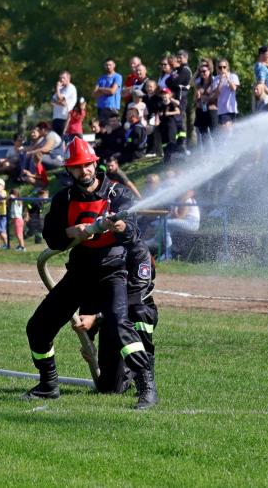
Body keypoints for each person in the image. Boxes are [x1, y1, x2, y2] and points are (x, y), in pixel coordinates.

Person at [23, 137, 157, 410]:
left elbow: (134, 235)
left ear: (95, 165)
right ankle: (48, 384)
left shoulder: (118, 194)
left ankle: (146, 387)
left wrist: (121, 227)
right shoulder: (63, 199)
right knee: (38, 327)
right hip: (79, 273)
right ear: (69, 170)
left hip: (113, 272)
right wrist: (70, 232)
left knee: (119, 325)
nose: (83, 171)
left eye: (87, 165)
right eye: (77, 166)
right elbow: (52, 237)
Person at [74, 238, 158, 394]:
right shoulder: (98, 249)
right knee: (110, 388)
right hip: (110, 318)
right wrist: (88, 339)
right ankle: (124, 373)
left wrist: (97, 318)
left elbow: (133, 299)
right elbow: (90, 294)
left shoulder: (139, 251)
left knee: (139, 313)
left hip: (134, 312)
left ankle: (145, 376)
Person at [160, 189, 200, 261]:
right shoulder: (178, 200)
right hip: (184, 222)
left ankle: (168, 254)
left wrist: (175, 209)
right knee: (164, 225)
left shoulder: (187, 200)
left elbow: (181, 217)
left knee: (165, 223)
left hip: (192, 223)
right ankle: (169, 252)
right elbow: (175, 216)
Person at [94, 58, 123, 125]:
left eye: (110, 65)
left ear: (114, 65)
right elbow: (94, 94)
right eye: (107, 65)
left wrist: (100, 89)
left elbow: (112, 91)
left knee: (112, 128)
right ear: (104, 66)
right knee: (102, 129)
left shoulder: (117, 77)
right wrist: (107, 90)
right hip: (101, 107)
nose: (108, 67)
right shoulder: (101, 78)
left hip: (112, 108)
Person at [194, 62, 217, 143]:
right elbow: (195, 99)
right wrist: (197, 97)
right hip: (201, 110)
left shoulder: (214, 81)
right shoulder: (198, 83)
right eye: (201, 72)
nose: (202, 73)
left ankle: (218, 150)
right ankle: (207, 150)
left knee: (214, 133)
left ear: (209, 71)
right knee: (203, 135)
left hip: (211, 109)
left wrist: (204, 97)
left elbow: (216, 96)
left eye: (204, 71)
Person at [213, 59, 239, 128]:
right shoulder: (216, 79)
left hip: (232, 109)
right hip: (222, 110)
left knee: (231, 130)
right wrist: (220, 81)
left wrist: (228, 79)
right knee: (226, 128)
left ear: (227, 67)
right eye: (220, 67)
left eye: (224, 67)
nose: (222, 69)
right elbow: (216, 94)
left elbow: (233, 88)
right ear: (217, 68)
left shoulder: (233, 76)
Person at [52, 71, 77, 137]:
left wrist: (57, 88)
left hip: (65, 118)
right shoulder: (60, 88)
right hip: (56, 117)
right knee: (56, 140)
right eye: (60, 78)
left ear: (68, 78)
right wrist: (60, 102)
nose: (61, 80)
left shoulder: (71, 87)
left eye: (63, 78)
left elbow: (60, 99)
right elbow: (53, 100)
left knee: (63, 139)